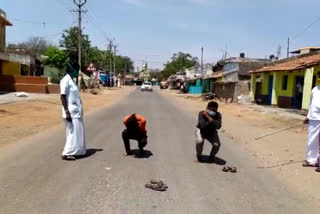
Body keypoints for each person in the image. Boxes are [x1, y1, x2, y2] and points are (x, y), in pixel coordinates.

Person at [60, 62, 87, 161]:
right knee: (72, 132)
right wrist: (67, 112)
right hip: (70, 112)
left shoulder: (72, 80)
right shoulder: (65, 80)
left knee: (77, 132)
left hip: (76, 111)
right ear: (72, 69)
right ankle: (67, 153)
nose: (78, 72)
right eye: (77, 70)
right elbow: (62, 96)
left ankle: (77, 151)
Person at [304, 72, 320, 171]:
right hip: (313, 118)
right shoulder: (315, 89)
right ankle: (311, 160)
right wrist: (308, 116)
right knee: (311, 140)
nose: (319, 79)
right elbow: (311, 104)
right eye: (319, 77)